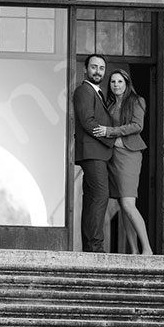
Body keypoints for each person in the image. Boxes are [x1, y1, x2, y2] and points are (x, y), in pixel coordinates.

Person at [94, 69, 153, 256]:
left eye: (120, 81)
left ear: (126, 83)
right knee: (123, 206)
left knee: (128, 204)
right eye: (113, 82)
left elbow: (138, 126)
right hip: (113, 157)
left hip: (129, 155)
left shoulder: (136, 101)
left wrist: (110, 132)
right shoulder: (109, 104)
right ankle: (134, 251)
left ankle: (147, 249)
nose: (116, 85)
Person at [73, 54, 115, 252]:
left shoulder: (97, 92)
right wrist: (111, 137)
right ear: (85, 69)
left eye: (101, 68)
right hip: (92, 152)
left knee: (92, 199)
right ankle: (95, 246)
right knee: (100, 196)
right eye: (94, 67)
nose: (98, 71)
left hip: (96, 153)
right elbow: (87, 121)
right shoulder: (84, 90)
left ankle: (91, 246)